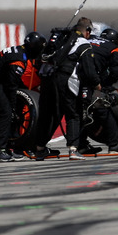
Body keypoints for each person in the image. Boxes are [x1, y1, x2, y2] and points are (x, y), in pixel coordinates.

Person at [32, 18, 102, 161]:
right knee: (73, 114)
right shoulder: (83, 44)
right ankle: (73, 150)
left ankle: (39, 148)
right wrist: (97, 85)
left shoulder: (60, 39)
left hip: (47, 79)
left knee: (48, 115)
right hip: (65, 81)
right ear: (87, 31)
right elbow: (89, 71)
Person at [0, 31, 46, 162]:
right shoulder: (19, 60)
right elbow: (11, 86)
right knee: (5, 111)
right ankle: (0, 150)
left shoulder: (21, 51)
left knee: (11, 108)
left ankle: (13, 144)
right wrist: (13, 107)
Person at [78, 27, 118, 154]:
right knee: (103, 110)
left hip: (74, 77)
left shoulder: (89, 40)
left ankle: (80, 144)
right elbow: (115, 72)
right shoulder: (112, 47)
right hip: (92, 80)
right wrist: (105, 85)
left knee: (79, 111)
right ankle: (113, 145)